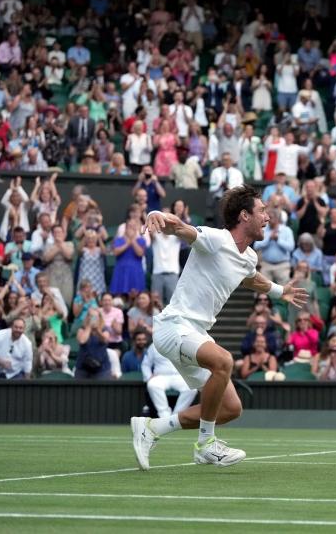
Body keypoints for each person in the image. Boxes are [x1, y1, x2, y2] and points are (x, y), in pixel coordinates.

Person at [131, 185, 307, 470]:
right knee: (224, 361)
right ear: (244, 216)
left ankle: (152, 429)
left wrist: (278, 291)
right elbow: (180, 228)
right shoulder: (215, 239)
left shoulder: (248, 256)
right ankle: (205, 445)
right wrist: (156, 213)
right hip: (173, 327)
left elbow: (250, 278)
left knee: (230, 409)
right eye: (262, 211)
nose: (268, 217)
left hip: (195, 333)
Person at [142, 340, 198, 419]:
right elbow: (145, 364)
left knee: (192, 388)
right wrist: (148, 377)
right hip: (161, 376)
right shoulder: (154, 346)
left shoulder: (184, 343)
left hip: (180, 376)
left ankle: (176, 417)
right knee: (152, 384)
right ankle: (164, 416)